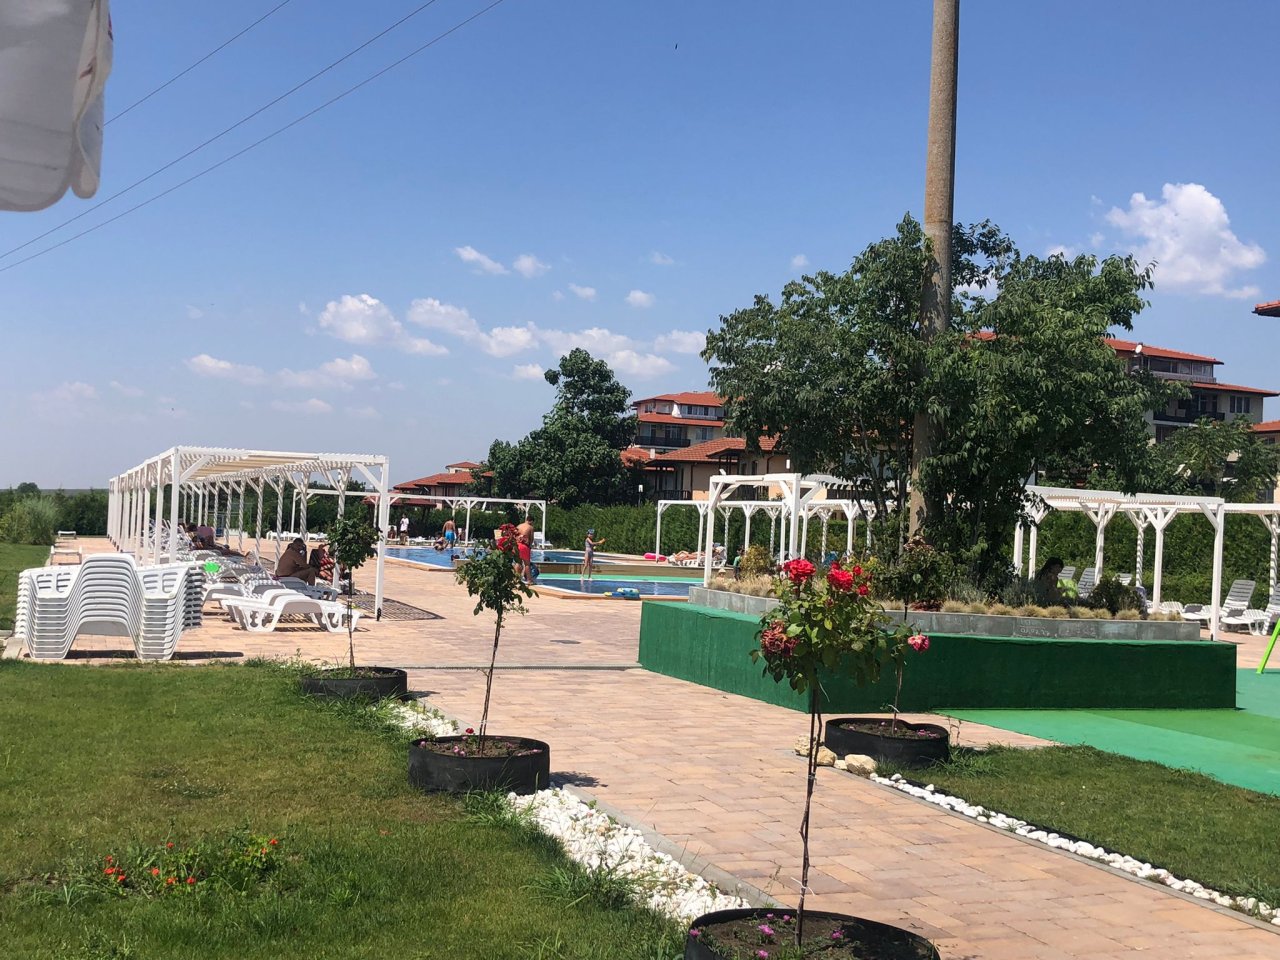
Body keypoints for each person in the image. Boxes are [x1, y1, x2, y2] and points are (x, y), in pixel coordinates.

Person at [515, 515, 535, 583]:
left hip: (517, 545)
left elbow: (515, 535)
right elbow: (531, 539)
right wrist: (530, 546)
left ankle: (516, 579)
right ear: (531, 521)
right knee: (527, 564)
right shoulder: (530, 527)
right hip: (524, 546)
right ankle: (529, 580)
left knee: (518, 562)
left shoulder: (519, 526)